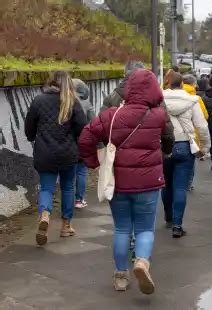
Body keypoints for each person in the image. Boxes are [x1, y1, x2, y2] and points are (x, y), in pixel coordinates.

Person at [78, 69, 174, 293]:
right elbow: (168, 138)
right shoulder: (159, 115)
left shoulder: (110, 115)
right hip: (149, 182)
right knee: (145, 229)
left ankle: (121, 276)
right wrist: (164, 154)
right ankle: (141, 261)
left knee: (122, 228)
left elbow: (85, 137)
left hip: (119, 181)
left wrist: (93, 162)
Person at [24, 71, 87, 246]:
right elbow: (82, 127)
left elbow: (29, 127)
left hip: (45, 153)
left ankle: (45, 214)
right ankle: (66, 226)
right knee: (67, 187)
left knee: (46, 188)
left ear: (51, 82)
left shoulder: (39, 100)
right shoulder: (72, 101)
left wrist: (32, 137)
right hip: (68, 153)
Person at [162, 72, 210, 238]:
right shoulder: (192, 101)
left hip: (164, 146)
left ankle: (168, 217)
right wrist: (205, 147)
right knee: (180, 187)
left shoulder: (158, 100)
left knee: (166, 184)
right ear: (181, 84)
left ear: (167, 83)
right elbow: (202, 127)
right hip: (184, 145)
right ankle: (177, 225)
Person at [182, 74, 209, 191]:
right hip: (192, 135)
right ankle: (188, 184)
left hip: (174, 136)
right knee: (190, 160)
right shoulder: (196, 99)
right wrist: (205, 146)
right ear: (193, 84)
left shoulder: (169, 96)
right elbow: (205, 116)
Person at [72, 79, 95, 209]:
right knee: (81, 171)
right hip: (82, 141)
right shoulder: (85, 102)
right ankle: (79, 200)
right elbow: (93, 121)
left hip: (65, 142)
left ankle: (67, 200)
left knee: (68, 174)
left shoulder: (62, 100)